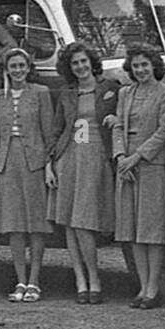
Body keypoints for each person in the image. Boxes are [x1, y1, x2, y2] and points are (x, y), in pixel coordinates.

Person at [49, 42, 121, 303]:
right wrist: (49, 163)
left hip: (96, 158)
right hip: (69, 157)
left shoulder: (110, 87)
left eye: (83, 61)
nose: (80, 67)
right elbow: (57, 130)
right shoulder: (67, 93)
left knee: (84, 222)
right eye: (74, 63)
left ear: (91, 62)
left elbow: (125, 114)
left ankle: (94, 278)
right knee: (70, 222)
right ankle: (81, 280)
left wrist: (118, 121)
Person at [110, 45, 165, 309]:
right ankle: (141, 286)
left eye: (144, 65)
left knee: (151, 231)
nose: (140, 70)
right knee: (132, 231)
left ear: (154, 66)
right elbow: (118, 125)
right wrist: (120, 157)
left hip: (150, 166)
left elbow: (163, 132)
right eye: (136, 66)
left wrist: (136, 157)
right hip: (126, 170)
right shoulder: (125, 93)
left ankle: (153, 287)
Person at [0, 47, 54, 302]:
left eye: (21, 66)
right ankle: (20, 280)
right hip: (7, 163)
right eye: (13, 66)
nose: (17, 70)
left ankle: (35, 281)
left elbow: (48, 132)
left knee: (36, 224)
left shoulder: (40, 93)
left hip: (34, 163)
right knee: (13, 224)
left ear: (28, 68)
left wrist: (48, 164)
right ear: (5, 70)